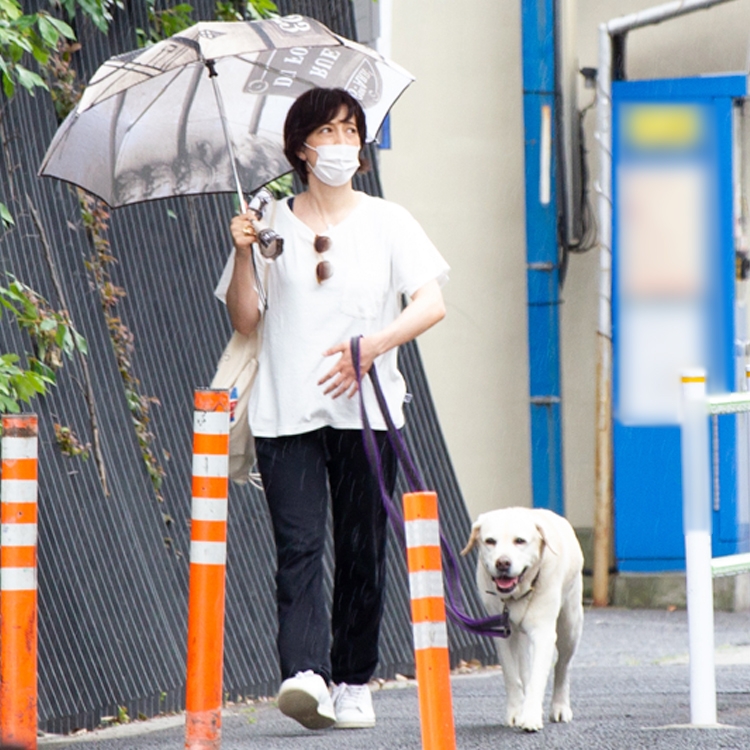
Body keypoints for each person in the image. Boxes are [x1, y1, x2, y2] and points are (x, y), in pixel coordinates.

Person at [216, 87, 449, 731]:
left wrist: (377, 344)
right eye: (328, 132)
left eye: (351, 131)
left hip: (367, 414)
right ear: (301, 148)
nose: (341, 144)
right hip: (285, 411)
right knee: (297, 548)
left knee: (360, 549)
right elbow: (245, 318)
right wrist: (242, 252)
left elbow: (430, 303)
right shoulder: (266, 224)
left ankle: (351, 679)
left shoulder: (389, 220)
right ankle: (304, 674)